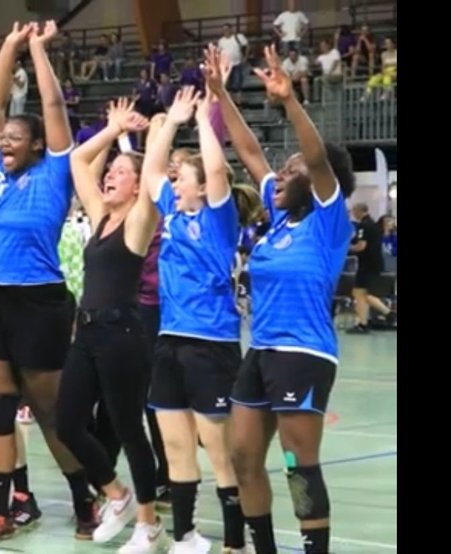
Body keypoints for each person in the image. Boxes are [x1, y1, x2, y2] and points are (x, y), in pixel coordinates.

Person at [209, 45, 358, 554]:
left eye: (291, 171)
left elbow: (315, 158)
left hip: (304, 354)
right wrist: (220, 95)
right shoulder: (277, 222)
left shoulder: (327, 223)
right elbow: (249, 150)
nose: (279, 176)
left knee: (299, 462)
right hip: (263, 351)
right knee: (245, 457)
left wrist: (289, 102)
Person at [0, 21, 82, 544]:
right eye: (4, 138)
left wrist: (36, 51)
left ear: (38, 145)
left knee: (50, 411)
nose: (6, 141)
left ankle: (85, 497)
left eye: (17, 138)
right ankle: (0, 509)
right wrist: (7, 46)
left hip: (39, 301)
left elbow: (54, 110)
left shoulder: (54, 172)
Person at [143, 81, 262, 553]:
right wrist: (170, 121)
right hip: (169, 341)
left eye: (181, 178)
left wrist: (202, 118)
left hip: (211, 344)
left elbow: (215, 167)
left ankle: (236, 541)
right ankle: (186, 535)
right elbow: (152, 167)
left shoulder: (218, 218)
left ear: (201, 185)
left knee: (220, 453)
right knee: (175, 448)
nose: (174, 183)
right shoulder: (171, 211)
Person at [58, 95, 166, 552]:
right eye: (112, 171)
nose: (110, 175)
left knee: (128, 429)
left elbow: (156, 165)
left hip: (124, 335)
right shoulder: (101, 217)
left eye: (122, 172)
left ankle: (148, 523)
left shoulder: (141, 219)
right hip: (87, 333)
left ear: (140, 186)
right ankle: (116, 495)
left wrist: (162, 124)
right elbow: (79, 160)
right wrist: (112, 126)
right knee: (67, 425)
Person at [346, 203, 392, 333]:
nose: (353, 214)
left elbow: (361, 246)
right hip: (375, 263)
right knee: (362, 294)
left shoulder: (363, 225)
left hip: (367, 264)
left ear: (359, 211)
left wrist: (346, 250)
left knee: (359, 293)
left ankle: (388, 313)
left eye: (354, 211)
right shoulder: (374, 225)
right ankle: (363, 323)